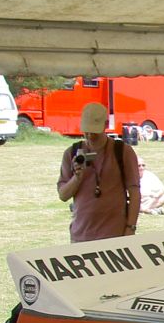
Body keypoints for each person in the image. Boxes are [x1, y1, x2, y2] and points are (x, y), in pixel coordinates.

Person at [56, 102, 141, 242]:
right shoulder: (71, 153)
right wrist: (77, 178)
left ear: (106, 125)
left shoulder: (122, 151)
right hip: (81, 235)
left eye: (94, 132)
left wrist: (130, 228)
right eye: (86, 131)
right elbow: (63, 195)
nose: (89, 136)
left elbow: (135, 193)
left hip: (115, 234)